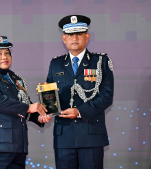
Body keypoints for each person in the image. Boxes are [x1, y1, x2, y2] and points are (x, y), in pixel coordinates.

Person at [0, 36, 51, 169]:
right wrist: (28, 108)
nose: (4, 57)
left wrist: (39, 116)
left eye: (7, 53)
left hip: (16, 148)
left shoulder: (15, 78)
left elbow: (23, 105)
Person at [46, 15, 114, 169]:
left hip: (91, 134)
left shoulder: (100, 61)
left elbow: (106, 96)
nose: (74, 38)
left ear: (87, 37)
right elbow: (51, 101)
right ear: (64, 39)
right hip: (64, 136)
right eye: (70, 35)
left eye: (79, 34)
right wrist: (47, 97)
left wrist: (79, 111)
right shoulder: (55, 63)